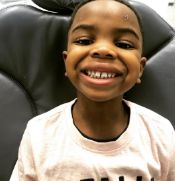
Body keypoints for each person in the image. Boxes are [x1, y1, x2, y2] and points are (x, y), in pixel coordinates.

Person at [10, 0, 175, 180]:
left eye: (124, 44)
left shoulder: (161, 134)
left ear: (140, 68)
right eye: (84, 41)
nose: (103, 50)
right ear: (66, 61)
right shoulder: (39, 134)